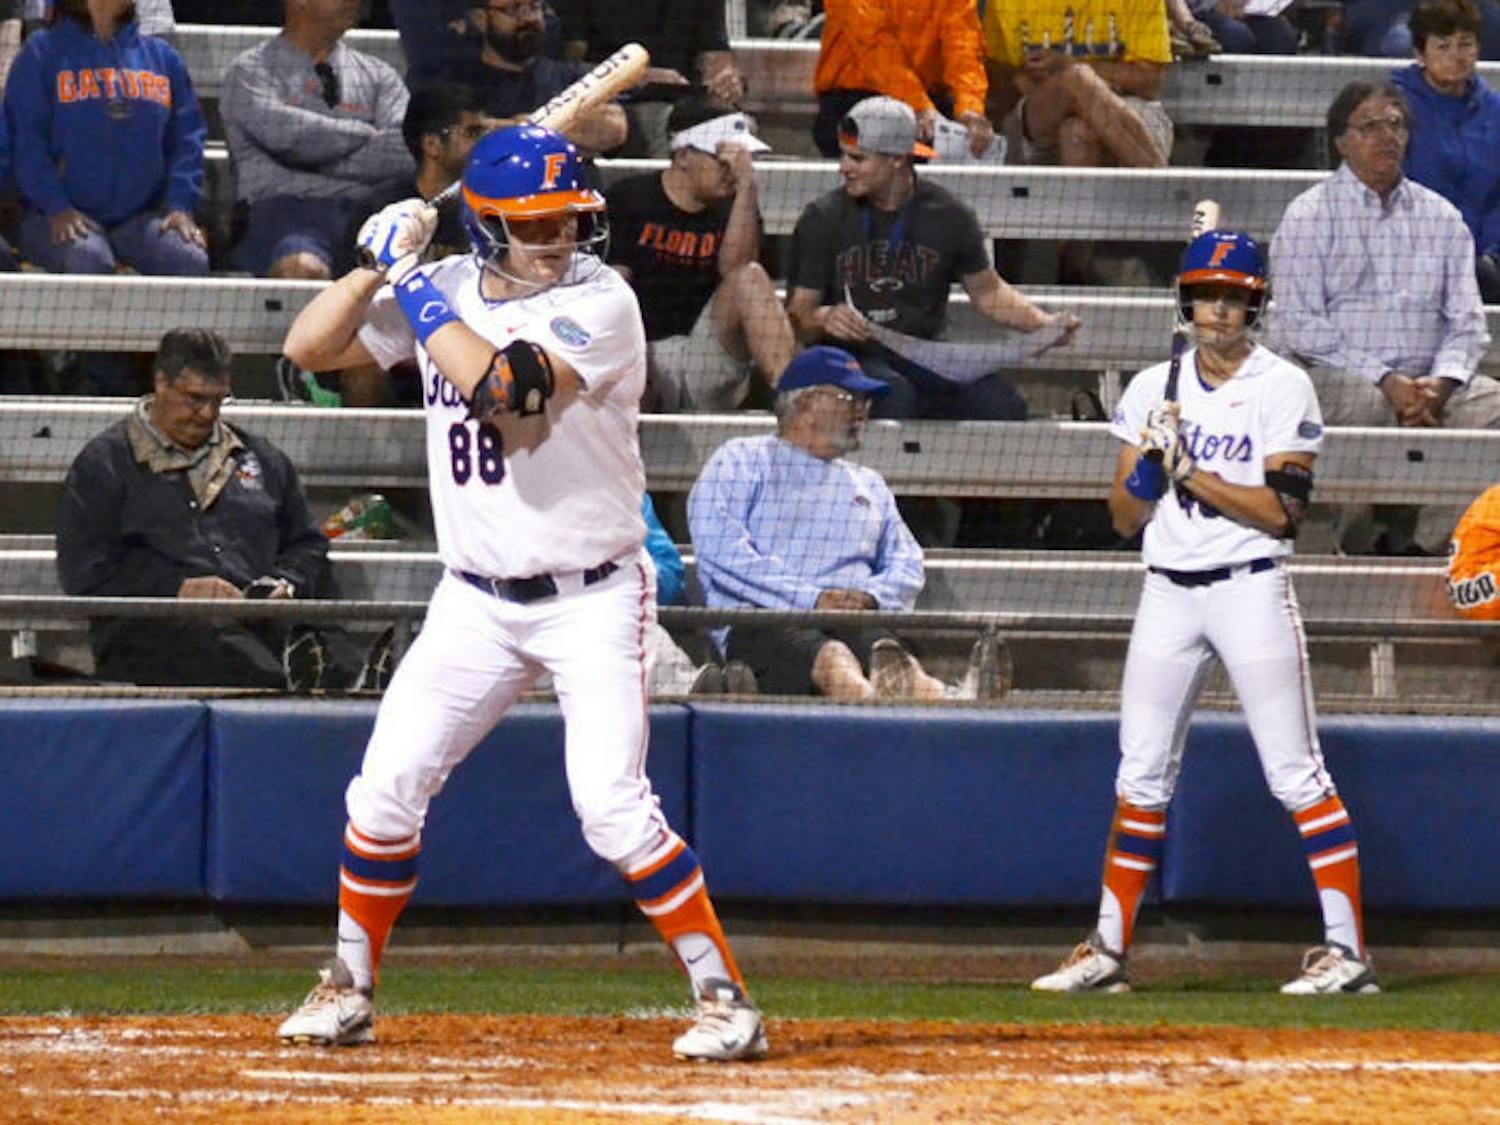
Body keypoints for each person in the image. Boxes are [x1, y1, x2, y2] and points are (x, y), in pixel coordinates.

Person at [272, 123, 766, 1061]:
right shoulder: (447, 286)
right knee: (382, 792)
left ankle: (723, 996)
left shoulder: (604, 301)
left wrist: (410, 281)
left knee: (611, 806)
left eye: (567, 220)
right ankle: (348, 986)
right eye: (533, 225)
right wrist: (373, 265)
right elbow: (308, 347)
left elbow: (505, 389)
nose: (557, 241)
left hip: (592, 595)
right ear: (487, 225)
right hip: (474, 598)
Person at [1031, 231, 1377, 997]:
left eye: (1232, 297)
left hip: (1251, 586)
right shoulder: (1152, 386)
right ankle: (1108, 949)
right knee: (1141, 774)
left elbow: (1282, 512)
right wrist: (1152, 469)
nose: (1217, 311)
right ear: (1185, 301)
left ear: (1254, 305)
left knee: (1296, 771)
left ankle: (1348, 953)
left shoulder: (1284, 386)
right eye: (1206, 296)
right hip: (1166, 589)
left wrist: (1194, 470)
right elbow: (1123, 517)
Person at [54, 328, 379, 690]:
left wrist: (285, 582)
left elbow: (308, 545)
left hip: (261, 617)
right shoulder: (104, 464)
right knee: (229, 652)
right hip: (155, 629)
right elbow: (84, 573)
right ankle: (296, 682)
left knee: (325, 645)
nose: (207, 413)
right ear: (161, 383)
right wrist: (175, 589)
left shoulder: (263, 458)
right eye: (195, 398)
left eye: (218, 400)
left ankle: (356, 680)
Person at [687, 344, 1008, 701]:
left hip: (855, 620)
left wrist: (872, 598)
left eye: (864, 401)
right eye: (849, 397)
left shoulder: (868, 482)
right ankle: (887, 707)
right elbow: (720, 550)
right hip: (765, 621)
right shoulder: (741, 459)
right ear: (804, 403)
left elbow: (906, 562)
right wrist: (813, 599)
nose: (862, 411)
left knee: (895, 660)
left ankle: (956, 702)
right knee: (834, 659)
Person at [1269, 79, 1497, 555]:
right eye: (1370, 126)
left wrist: (1442, 383)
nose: (1386, 136)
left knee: (1493, 405)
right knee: (1362, 402)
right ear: (1341, 142)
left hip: (1429, 383)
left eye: (1395, 124)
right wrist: (1385, 378)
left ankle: (1427, 550)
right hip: (1339, 377)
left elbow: (1467, 323)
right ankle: (1348, 546)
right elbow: (1301, 326)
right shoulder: (1308, 216)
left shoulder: (1442, 218)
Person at [785, 96, 1077, 422]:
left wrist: (1043, 324)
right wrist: (824, 318)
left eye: (858, 158)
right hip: (850, 358)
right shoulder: (822, 217)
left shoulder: (948, 215)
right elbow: (799, 315)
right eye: (844, 155)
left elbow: (988, 292)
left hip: (923, 355)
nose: (844, 168)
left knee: (1001, 405)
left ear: (897, 159)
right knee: (895, 394)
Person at [606, 95, 795, 411]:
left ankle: (794, 401)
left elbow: (735, 269)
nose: (731, 171)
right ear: (682, 156)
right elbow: (612, 294)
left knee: (751, 277)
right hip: (639, 355)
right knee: (613, 283)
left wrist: (747, 186)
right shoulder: (629, 199)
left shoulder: (738, 206)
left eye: (739, 161)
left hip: (706, 358)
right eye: (722, 161)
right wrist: (637, 361)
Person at [3, 0, 207, 277]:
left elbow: (187, 138)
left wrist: (180, 204)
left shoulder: (163, 58)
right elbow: (26, 141)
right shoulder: (41, 52)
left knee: (187, 258)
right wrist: (55, 206)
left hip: (140, 218)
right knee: (87, 258)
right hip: (54, 215)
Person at [220, 0, 414, 280]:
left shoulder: (379, 75)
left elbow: (404, 149)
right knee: (301, 268)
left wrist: (316, 163)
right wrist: (365, 133)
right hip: (285, 212)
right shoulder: (250, 72)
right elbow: (288, 137)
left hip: (370, 212)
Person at [1391, 0, 1500, 303]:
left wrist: (1492, 252)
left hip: (1485, 258)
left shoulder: (1496, 112)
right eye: (1442, 46)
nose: (1456, 56)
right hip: (1413, 257)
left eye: (1465, 44)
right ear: (1419, 53)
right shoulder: (1394, 109)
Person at [556, 0, 745, 156]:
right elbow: (565, 68)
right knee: (663, 120)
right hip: (608, 100)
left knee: (736, 126)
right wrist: (637, 76)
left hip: (684, 100)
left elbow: (716, 59)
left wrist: (726, 82)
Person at [810, 0, 994, 160]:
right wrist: (917, 105)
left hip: (927, 101)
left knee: (969, 147)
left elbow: (963, 44)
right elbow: (873, 45)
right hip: (854, 97)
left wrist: (970, 108)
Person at [435, 0, 626, 155]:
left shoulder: (573, 76)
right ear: (480, 19)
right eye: (513, 8)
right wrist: (566, 124)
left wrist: (507, 126)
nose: (528, 18)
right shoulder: (455, 85)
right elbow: (455, 143)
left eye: (534, 6)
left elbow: (613, 130)